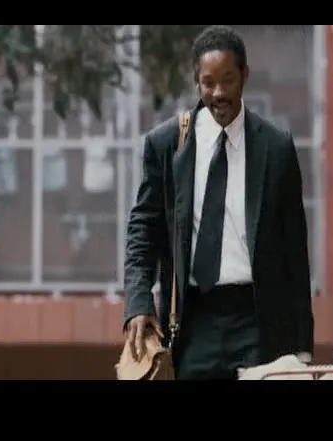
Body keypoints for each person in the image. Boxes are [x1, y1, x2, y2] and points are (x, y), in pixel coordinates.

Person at [123, 25, 314, 380]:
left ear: (245, 75)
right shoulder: (167, 145)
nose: (219, 93)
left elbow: (295, 253)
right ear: (196, 83)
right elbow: (143, 231)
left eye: (228, 80)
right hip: (193, 323)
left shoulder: (276, 148)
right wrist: (138, 301)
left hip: (259, 321)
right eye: (209, 82)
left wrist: (302, 346)